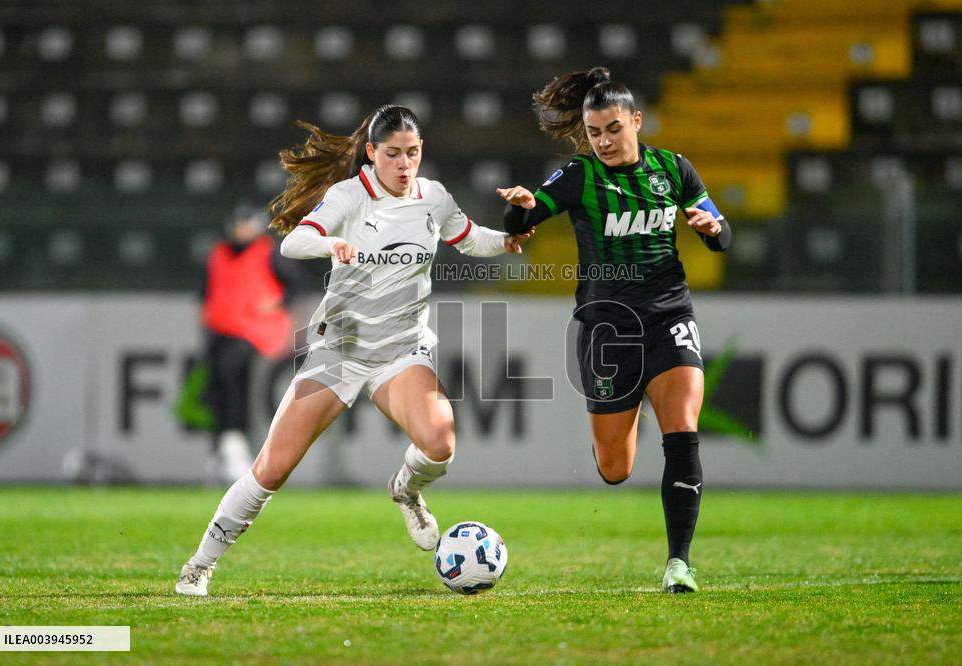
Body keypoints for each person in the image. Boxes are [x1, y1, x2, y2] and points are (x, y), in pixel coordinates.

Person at [175, 104, 533, 596]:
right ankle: (199, 564)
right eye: (393, 154)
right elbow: (293, 244)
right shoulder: (349, 196)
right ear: (371, 153)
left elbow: (469, 239)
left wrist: (508, 238)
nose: (404, 164)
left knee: (440, 441)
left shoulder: (434, 198)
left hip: (402, 349)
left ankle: (406, 490)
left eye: (412, 153)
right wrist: (331, 246)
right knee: (272, 469)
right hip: (339, 349)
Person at [497, 66, 731, 593]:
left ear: (636, 122)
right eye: (594, 131)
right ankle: (634, 409)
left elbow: (721, 236)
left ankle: (679, 564)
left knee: (684, 430)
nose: (603, 140)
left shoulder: (674, 170)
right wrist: (520, 211)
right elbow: (524, 220)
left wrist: (713, 228)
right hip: (606, 328)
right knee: (614, 469)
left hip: (670, 313)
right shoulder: (580, 176)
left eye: (613, 129)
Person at [197, 203, 306, 483]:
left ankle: (234, 444)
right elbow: (206, 290)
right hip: (219, 329)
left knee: (231, 374)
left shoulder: (268, 251)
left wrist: (278, 303)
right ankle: (220, 448)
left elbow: (295, 284)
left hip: (254, 330)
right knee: (217, 385)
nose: (241, 229)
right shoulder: (219, 253)